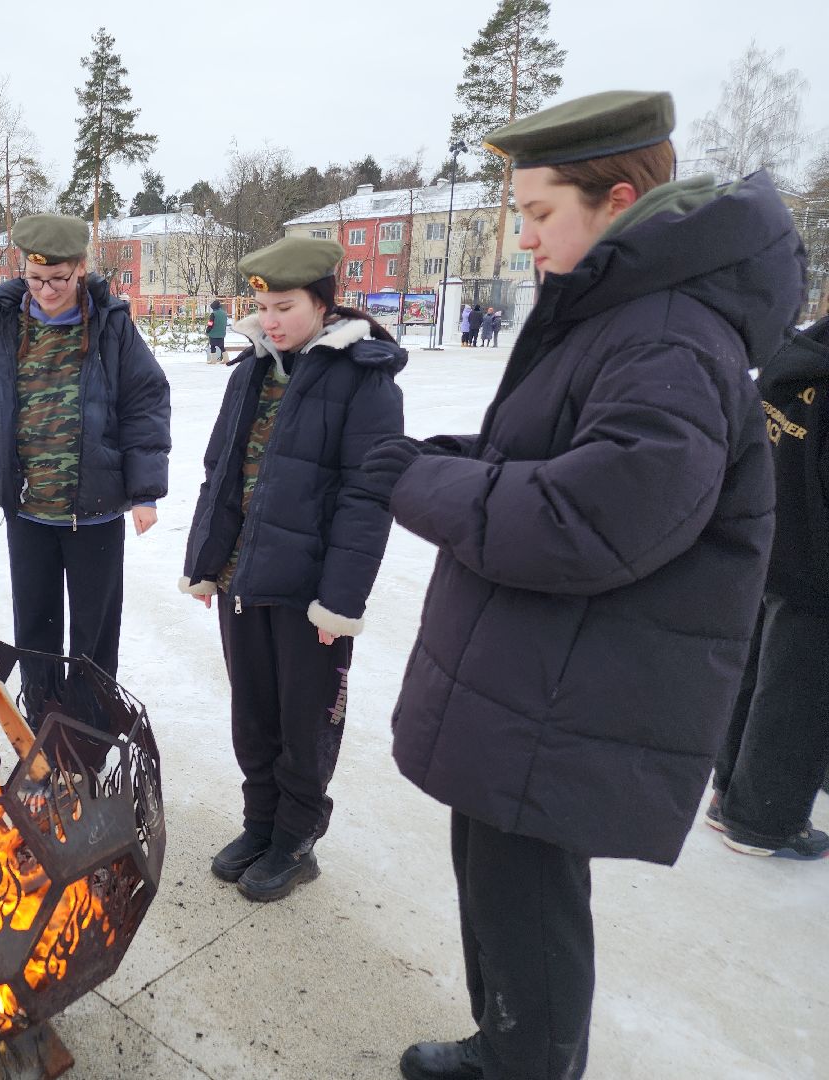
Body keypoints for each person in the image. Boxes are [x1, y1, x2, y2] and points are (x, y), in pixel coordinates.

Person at [358, 91, 801, 1080]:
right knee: (498, 884)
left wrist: (415, 478)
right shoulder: (631, 316)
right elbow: (551, 455)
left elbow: (592, 518)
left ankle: (527, 1062)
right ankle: (504, 1045)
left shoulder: (671, 334)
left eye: (539, 212)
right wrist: (446, 454)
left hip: (572, 689)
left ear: (618, 199)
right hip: (542, 677)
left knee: (528, 904)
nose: (523, 238)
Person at [181, 235, 405, 902]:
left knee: (304, 720)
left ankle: (295, 839)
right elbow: (218, 473)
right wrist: (205, 563)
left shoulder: (363, 377)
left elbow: (369, 496)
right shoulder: (251, 369)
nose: (271, 319)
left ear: (322, 302)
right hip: (242, 583)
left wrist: (339, 603)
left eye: (286, 306)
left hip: (308, 594)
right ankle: (260, 826)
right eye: (263, 306)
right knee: (253, 715)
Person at [0, 213, 170, 694]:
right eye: (35, 279)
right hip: (27, 512)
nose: (47, 290)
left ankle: (88, 733)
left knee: (94, 635)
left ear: (81, 268)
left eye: (59, 279)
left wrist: (145, 492)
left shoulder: (113, 328)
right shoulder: (4, 328)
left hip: (93, 513)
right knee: (35, 631)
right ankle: (44, 727)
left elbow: (146, 405)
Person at [708, 313, 829, 860]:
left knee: (762, 664)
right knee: (802, 688)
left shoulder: (803, 348)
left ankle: (729, 792)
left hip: (774, 530)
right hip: (815, 556)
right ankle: (765, 821)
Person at [206, 298, 229, 362]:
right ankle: (226, 360)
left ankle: (213, 360)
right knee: (222, 347)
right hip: (222, 333)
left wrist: (207, 330)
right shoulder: (224, 313)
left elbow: (210, 324)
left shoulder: (213, 314)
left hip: (213, 333)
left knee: (212, 346)